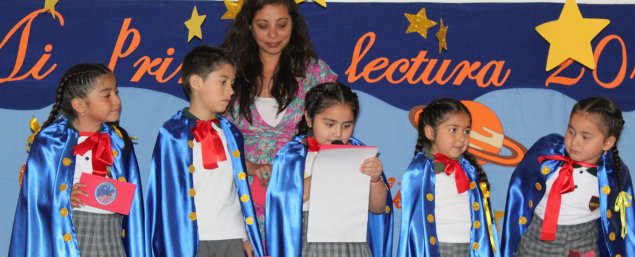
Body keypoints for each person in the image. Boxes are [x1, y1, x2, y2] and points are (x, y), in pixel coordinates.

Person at [222, 0, 338, 236]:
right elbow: (214, 137)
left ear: (293, 26)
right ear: (249, 27)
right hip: (240, 197)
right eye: (263, 26)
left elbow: (336, 133)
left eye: (281, 25)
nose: (272, 34)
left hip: (300, 196)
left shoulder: (316, 73)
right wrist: (249, 168)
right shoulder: (228, 73)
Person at [8, 64, 145, 257]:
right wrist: (62, 198)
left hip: (112, 233)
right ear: (79, 105)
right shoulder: (50, 141)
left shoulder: (119, 141)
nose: (117, 100)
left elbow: (133, 202)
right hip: (72, 231)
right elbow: (34, 197)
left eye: (116, 92)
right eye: (107, 95)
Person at [145, 46, 264, 257]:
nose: (231, 91)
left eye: (232, 84)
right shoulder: (173, 133)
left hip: (231, 235)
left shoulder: (230, 133)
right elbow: (166, 195)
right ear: (196, 82)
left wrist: (246, 234)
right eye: (223, 82)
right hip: (191, 239)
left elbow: (237, 184)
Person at [265, 82, 393, 257]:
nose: (338, 134)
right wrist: (322, 169)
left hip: (352, 240)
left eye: (347, 126)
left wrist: (375, 180)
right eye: (330, 124)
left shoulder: (359, 156)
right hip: (311, 240)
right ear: (309, 119)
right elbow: (287, 200)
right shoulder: (295, 156)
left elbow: (378, 208)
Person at [501, 97, 635, 257]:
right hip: (535, 240)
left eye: (585, 137)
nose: (575, 142)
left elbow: (621, 220)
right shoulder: (547, 156)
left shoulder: (614, 174)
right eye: (571, 131)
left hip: (582, 242)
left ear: (607, 143)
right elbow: (519, 190)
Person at [397, 98, 500, 257]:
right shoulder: (418, 172)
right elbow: (413, 224)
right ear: (430, 132)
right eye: (453, 130)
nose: (461, 138)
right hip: (438, 248)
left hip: (469, 246)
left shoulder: (469, 170)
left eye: (466, 131)